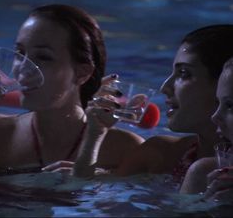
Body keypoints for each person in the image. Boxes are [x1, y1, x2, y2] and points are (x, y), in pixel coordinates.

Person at [73, 24, 233, 182]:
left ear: (224, 83)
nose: (165, 87)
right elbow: (83, 196)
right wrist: (95, 133)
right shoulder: (160, 155)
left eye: (184, 73)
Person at [0, 4, 144, 173]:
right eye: (19, 53)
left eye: (43, 57)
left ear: (83, 72)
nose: (22, 68)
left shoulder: (126, 151)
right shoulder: (0, 136)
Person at [180, 57, 233, 202]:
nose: (215, 117)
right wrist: (210, 209)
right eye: (218, 103)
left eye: (230, 105)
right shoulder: (205, 174)